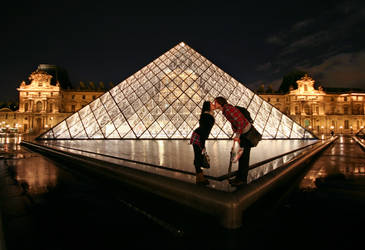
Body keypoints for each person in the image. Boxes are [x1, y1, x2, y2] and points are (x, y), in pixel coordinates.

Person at [214, 96, 252, 187]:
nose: (214, 104)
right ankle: (238, 178)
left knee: (244, 158)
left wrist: (237, 136)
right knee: (241, 156)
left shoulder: (228, 109)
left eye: (215, 102)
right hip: (243, 133)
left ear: (219, 103)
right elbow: (236, 122)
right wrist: (237, 135)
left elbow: (240, 122)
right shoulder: (226, 110)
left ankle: (242, 180)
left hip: (246, 134)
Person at [190, 101, 215, 185]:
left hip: (199, 136)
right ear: (208, 106)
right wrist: (202, 143)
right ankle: (199, 178)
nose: (213, 105)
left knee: (199, 155)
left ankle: (199, 176)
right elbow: (204, 129)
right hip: (199, 137)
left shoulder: (207, 114)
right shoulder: (207, 115)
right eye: (211, 104)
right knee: (198, 156)